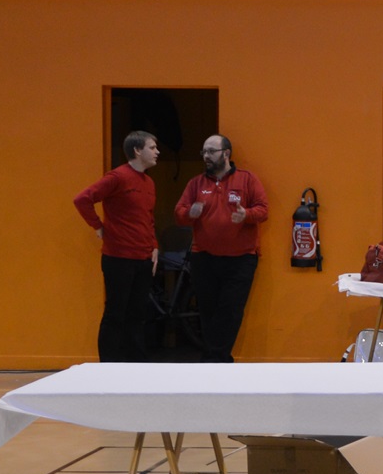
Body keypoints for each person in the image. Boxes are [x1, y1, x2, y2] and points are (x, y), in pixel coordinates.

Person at [174, 134, 267, 363]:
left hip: (241, 259)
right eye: (203, 152)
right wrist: (189, 213)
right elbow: (179, 213)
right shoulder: (196, 183)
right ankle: (218, 361)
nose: (206, 156)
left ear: (226, 153)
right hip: (204, 258)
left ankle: (214, 360)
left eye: (211, 151)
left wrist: (247, 215)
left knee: (230, 311)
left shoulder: (247, 179)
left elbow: (263, 210)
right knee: (207, 311)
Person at [74, 130, 160, 362]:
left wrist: (154, 245)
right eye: (152, 148)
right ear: (137, 150)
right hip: (119, 257)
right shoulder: (117, 177)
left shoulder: (149, 182)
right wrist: (97, 226)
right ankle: (109, 364)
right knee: (116, 312)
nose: (157, 152)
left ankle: (136, 363)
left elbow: (148, 217)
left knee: (138, 314)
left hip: (143, 257)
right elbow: (82, 199)